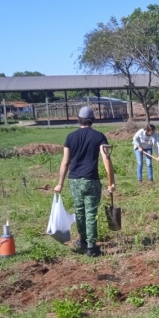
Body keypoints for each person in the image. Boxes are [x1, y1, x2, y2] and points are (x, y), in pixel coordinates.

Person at [54, 106, 115, 257]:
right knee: (91, 212)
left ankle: (82, 240)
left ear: (78, 119)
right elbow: (106, 159)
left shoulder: (70, 137)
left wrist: (60, 183)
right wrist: (111, 182)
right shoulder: (99, 136)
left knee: (80, 211)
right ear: (93, 120)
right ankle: (91, 246)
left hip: (74, 180)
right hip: (91, 180)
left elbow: (65, 162)